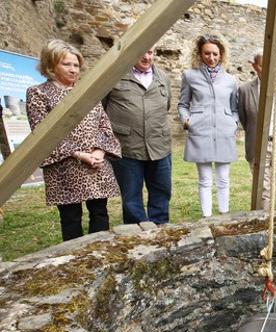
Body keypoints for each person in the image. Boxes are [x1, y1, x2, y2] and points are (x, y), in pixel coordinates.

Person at [26, 39, 121, 241]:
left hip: (95, 164)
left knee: (100, 212)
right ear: (51, 65)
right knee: (71, 218)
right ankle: (74, 260)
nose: (73, 69)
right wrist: (78, 154)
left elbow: (104, 125)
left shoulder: (87, 92)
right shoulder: (38, 93)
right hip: (65, 167)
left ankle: (98, 254)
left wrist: (99, 151)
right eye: (66, 64)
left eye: (76, 65)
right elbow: (42, 134)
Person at [103, 47, 172, 225]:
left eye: (150, 52)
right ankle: (136, 232)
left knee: (162, 192)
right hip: (127, 147)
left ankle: (160, 228)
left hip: (159, 145)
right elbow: (101, 109)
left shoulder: (163, 77)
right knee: (131, 195)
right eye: (142, 51)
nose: (146, 56)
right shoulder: (115, 75)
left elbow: (167, 105)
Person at [178, 35, 239, 217]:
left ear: (221, 55)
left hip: (224, 132)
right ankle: (207, 218)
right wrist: (186, 120)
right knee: (205, 180)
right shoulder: (190, 76)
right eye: (207, 53)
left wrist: (234, 123)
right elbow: (183, 104)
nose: (211, 58)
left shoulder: (230, 80)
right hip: (200, 132)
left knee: (223, 179)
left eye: (215, 54)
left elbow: (234, 108)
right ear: (200, 53)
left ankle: (224, 214)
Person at [238, 50, 276, 211]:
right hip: (259, 146)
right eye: (263, 65)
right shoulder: (245, 90)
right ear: (254, 66)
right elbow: (245, 118)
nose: (268, 69)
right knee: (263, 191)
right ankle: (262, 224)